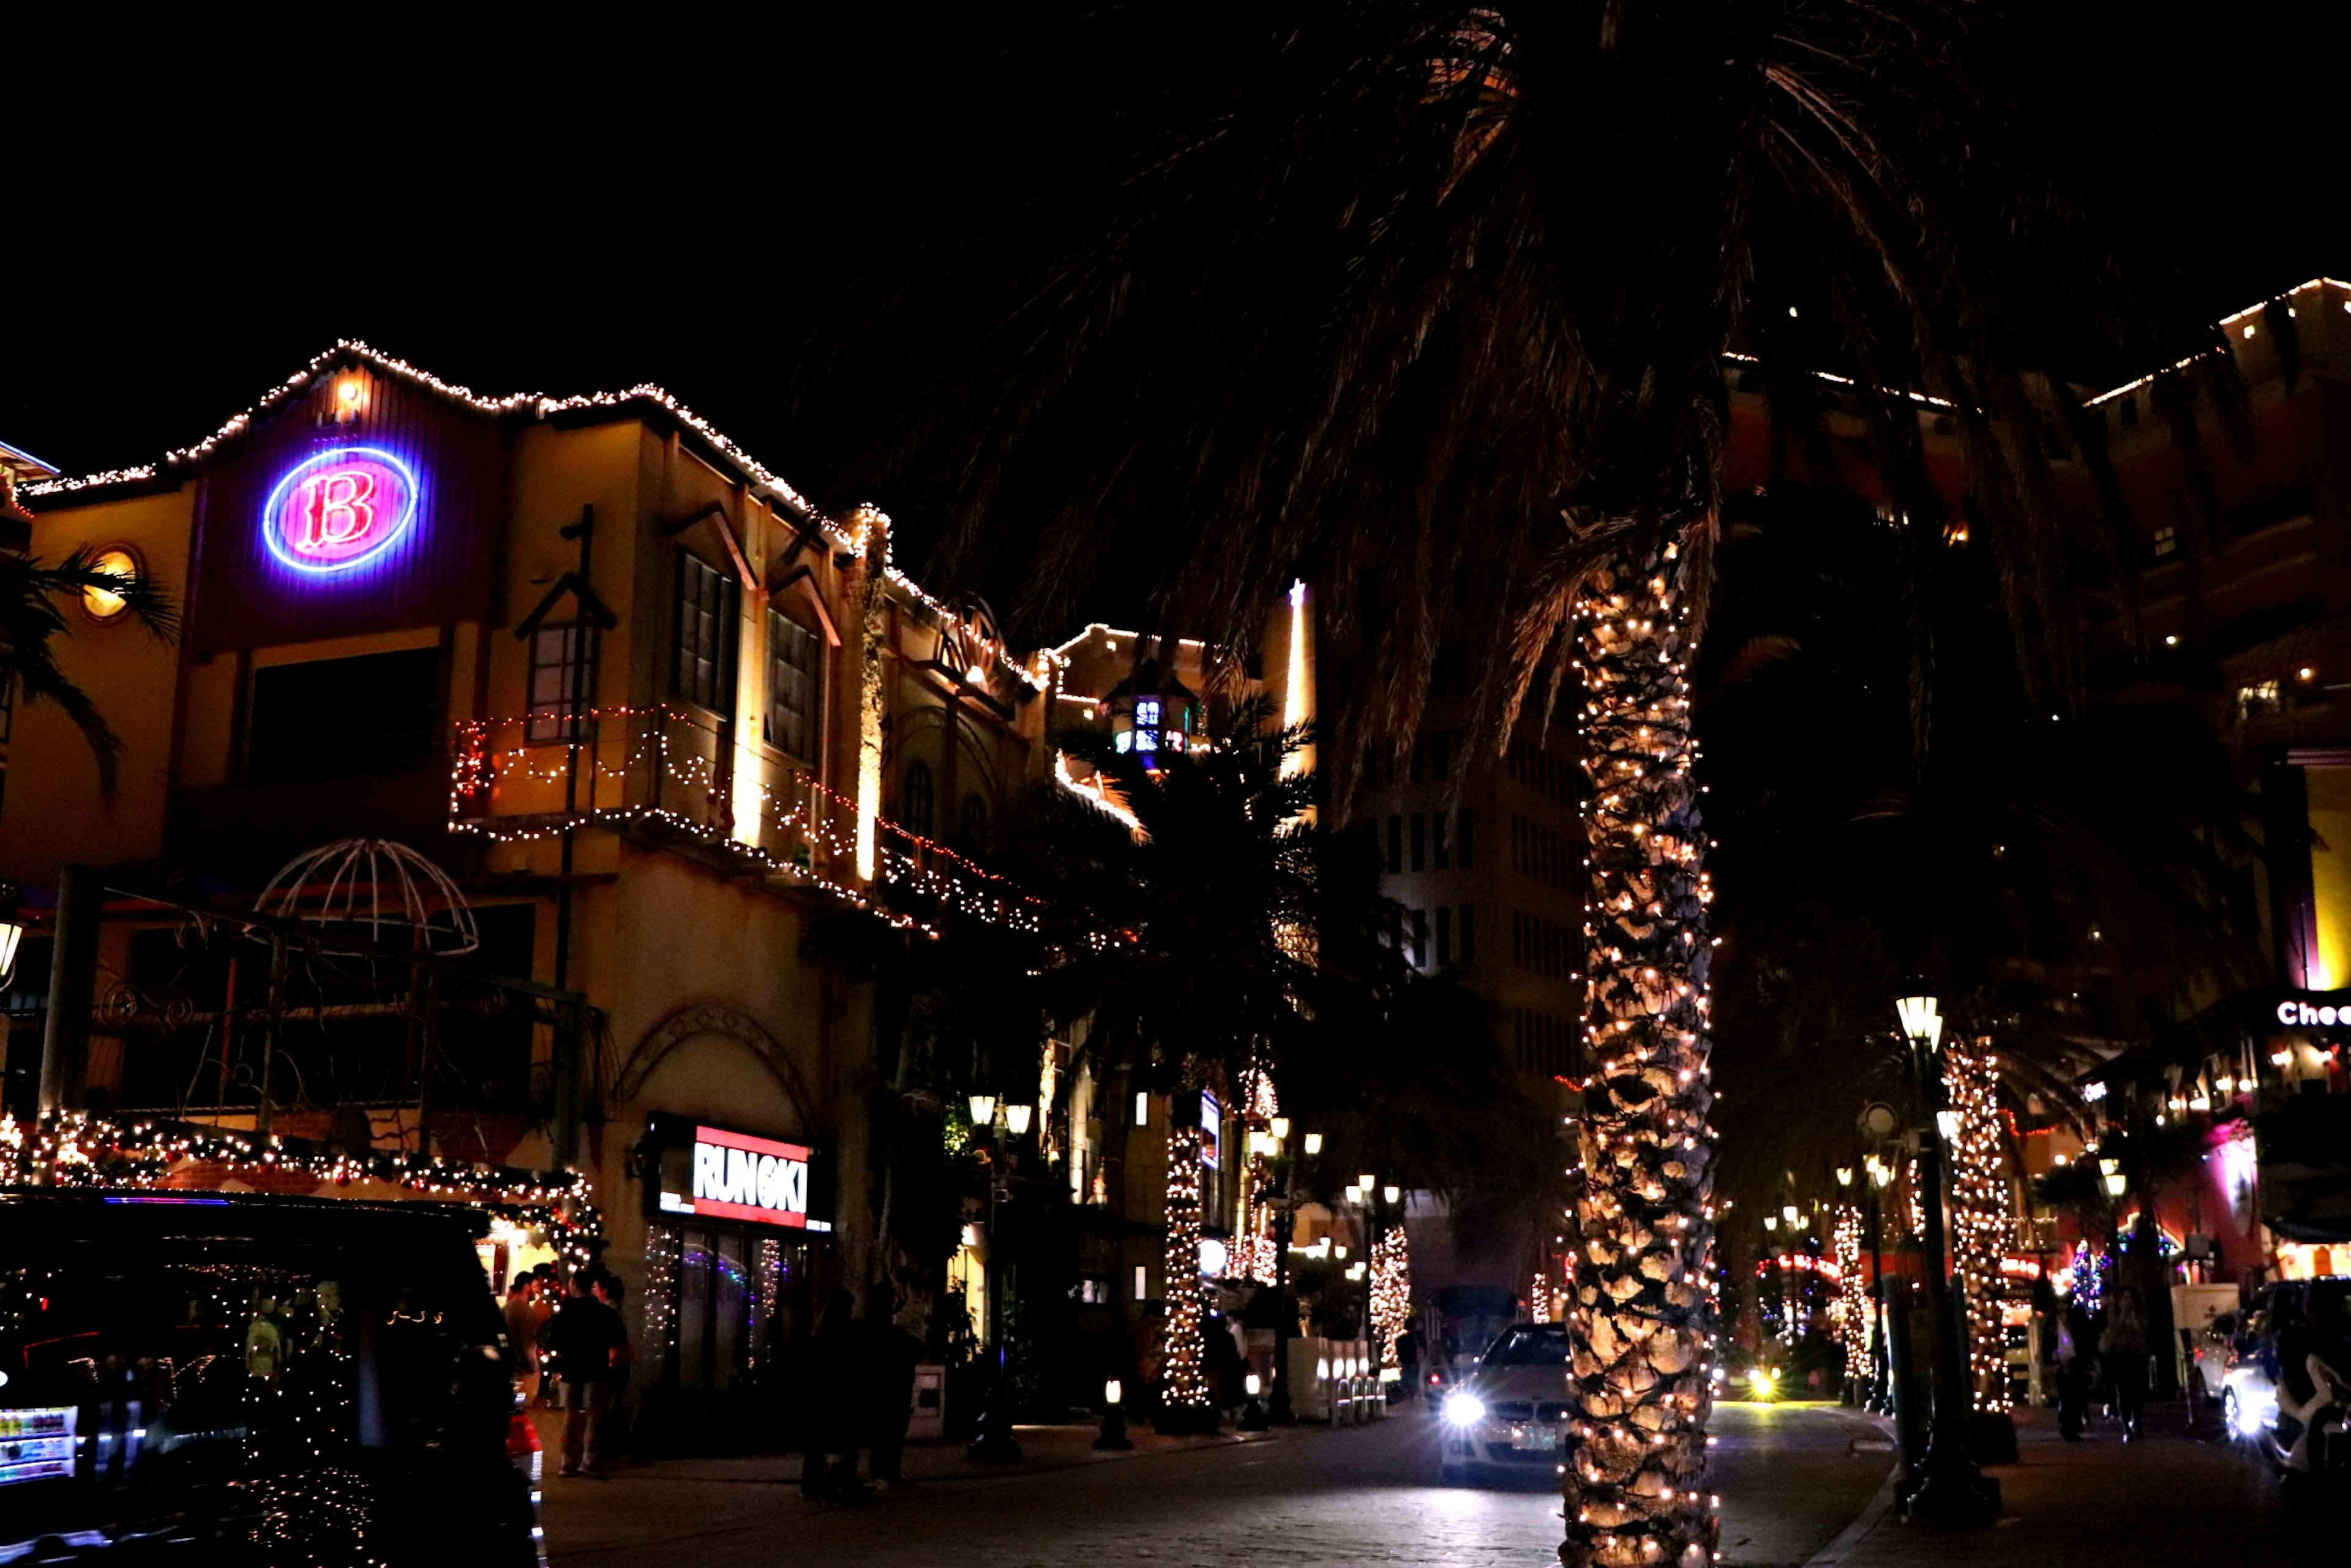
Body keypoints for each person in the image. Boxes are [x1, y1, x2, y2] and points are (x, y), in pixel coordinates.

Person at [546, 1271, 626, 1477]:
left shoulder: (563, 1314)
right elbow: (619, 1339)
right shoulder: (604, 1313)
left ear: (572, 1285)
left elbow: (551, 1342)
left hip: (571, 1369)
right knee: (593, 1417)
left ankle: (566, 1462)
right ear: (591, 1287)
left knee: (570, 1416)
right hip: (596, 1369)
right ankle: (588, 1460)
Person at [853, 1289, 924, 1488]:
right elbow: (916, 1351)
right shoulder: (892, 1332)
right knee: (890, 1432)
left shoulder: (881, 1330)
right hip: (892, 1386)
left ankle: (885, 1471)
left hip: (887, 1386)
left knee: (887, 1432)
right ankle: (886, 1472)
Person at [803, 1290, 860, 1499]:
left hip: (821, 1391)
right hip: (835, 1391)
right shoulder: (841, 1331)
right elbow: (844, 1361)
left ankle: (815, 1483)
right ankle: (837, 1482)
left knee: (819, 1440)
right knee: (839, 1440)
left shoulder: (821, 1331)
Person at [593, 1275, 636, 1460]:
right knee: (613, 1404)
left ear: (604, 1291)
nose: (594, 1292)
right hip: (621, 1363)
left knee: (605, 1406)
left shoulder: (607, 1312)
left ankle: (604, 1447)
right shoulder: (621, 1310)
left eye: (596, 1288)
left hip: (612, 1363)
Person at [2102, 1286, 2151, 1441]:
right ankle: (2126, 1428)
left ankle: (2136, 1422)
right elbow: (2115, 1332)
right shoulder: (2114, 1313)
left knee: (2138, 1392)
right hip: (2121, 1357)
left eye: (2130, 1298)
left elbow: (2144, 1331)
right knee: (2123, 1392)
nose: (2127, 1301)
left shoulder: (2139, 1314)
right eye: (2124, 1298)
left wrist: (2134, 1317)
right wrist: (2123, 1316)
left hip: (2138, 1356)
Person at [2055, 1301, 2095, 1440]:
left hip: (2077, 1366)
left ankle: (2073, 1424)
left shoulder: (2078, 1324)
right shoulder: (2054, 1325)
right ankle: (2069, 1427)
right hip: (2063, 1368)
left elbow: (2085, 1342)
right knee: (2067, 1399)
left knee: (2078, 1398)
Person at [504, 1278, 542, 1405]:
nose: (537, 1291)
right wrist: (535, 1368)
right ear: (526, 1287)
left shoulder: (506, 1309)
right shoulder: (526, 1312)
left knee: (512, 1403)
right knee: (522, 1403)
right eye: (535, 1286)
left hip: (508, 1367)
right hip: (523, 1371)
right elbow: (528, 1345)